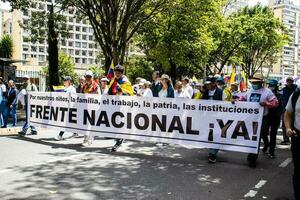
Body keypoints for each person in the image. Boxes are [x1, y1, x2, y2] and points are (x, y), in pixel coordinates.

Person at [240, 74, 278, 168]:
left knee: (256, 138)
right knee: (248, 136)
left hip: (262, 119)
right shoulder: (250, 91)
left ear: (261, 83)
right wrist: (236, 100)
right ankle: (251, 153)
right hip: (249, 117)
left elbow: (275, 103)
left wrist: (266, 103)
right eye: (253, 82)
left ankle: (253, 158)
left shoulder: (267, 92)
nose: (254, 84)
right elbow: (243, 99)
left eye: (256, 82)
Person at [202, 76, 226, 163]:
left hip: (218, 118)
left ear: (214, 83)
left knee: (217, 135)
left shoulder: (221, 92)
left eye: (209, 84)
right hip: (208, 118)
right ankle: (211, 151)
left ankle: (213, 153)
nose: (207, 86)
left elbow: (225, 105)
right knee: (209, 135)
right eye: (206, 84)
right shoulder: (205, 93)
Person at [110, 65, 134, 152]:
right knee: (115, 121)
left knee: (121, 122)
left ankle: (120, 140)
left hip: (125, 105)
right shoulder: (115, 79)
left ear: (122, 73)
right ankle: (119, 137)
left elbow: (128, 93)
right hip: (116, 104)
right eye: (115, 72)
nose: (117, 74)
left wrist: (120, 92)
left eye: (118, 73)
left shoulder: (125, 81)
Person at [284, 86, 300, 200]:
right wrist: (288, 128)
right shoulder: (296, 95)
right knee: (298, 170)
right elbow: (288, 114)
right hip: (298, 137)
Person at [263, 79, 283, 158]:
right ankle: (266, 145)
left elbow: (278, 104)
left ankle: (271, 151)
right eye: (270, 85)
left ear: (276, 86)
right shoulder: (266, 93)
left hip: (276, 117)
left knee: (273, 135)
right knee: (264, 133)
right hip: (267, 116)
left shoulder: (280, 94)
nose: (271, 87)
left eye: (272, 85)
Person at [81, 70, 101, 146]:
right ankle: (86, 138)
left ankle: (89, 139)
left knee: (90, 124)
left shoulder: (96, 86)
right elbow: (81, 95)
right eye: (87, 77)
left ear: (92, 77)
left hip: (93, 108)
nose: (88, 78)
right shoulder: (84, 86)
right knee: (85, 124)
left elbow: (99, 96)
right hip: (85, 107)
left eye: (89, 77)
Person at [55, 76, 77, 141]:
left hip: (70, 107)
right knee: (71, 121)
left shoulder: (72, 88)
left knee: (65, 122)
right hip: (64, 106)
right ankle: (75, 132)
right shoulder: (64, 88)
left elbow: (73, 97)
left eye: (65, 80)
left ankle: (60, 135)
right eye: (64, 80)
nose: (64, 81)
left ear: (69, 81)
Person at [282, 77, 297, 145]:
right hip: (285, 109)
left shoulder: (296, 89)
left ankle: (294, 138)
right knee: (284, 124)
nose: (289, 82)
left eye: (291, 81)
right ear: (286, 82)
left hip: (294, 109)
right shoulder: (284, 89)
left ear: (292, 81)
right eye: (288, 81)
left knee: (294, 124)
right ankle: (286, 139)